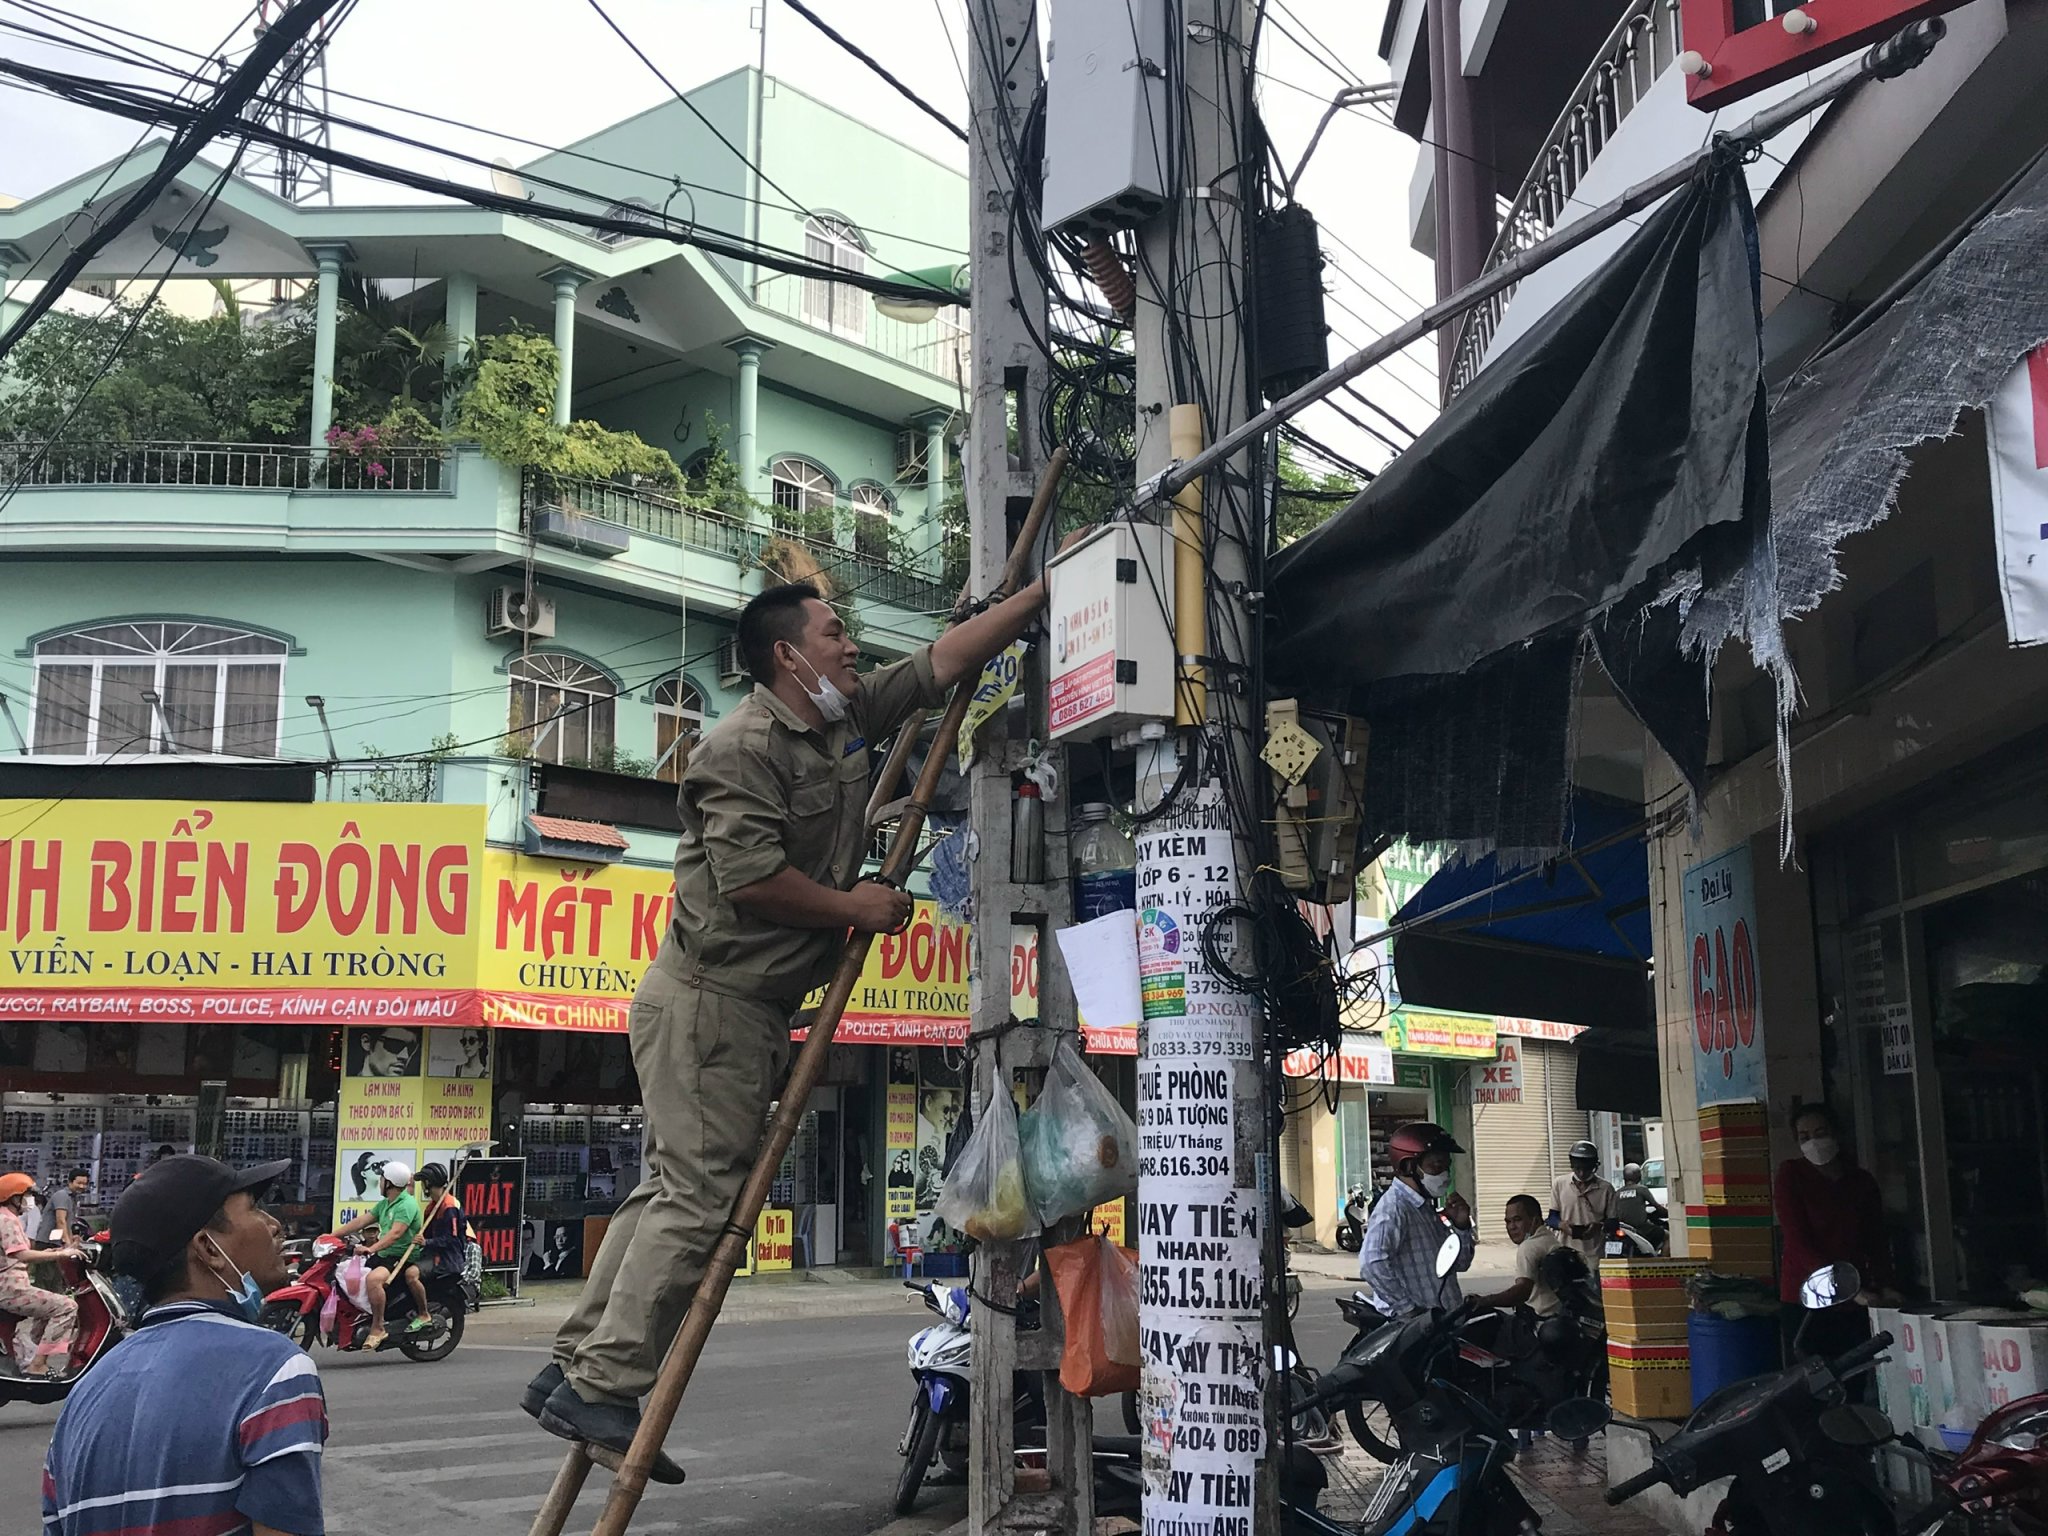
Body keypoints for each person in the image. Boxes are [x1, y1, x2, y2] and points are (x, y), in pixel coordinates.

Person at [525, 570, 1064, 1472]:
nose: (849, 646)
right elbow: (751, 878)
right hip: (712, 1003)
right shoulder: (740, 749)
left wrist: (1038, 594)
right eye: (833, 632)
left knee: (666, 1191)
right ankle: (608, 1385)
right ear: (787, 654)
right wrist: (857, 909)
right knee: (700, 1201)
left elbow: (937, 664)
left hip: (739, 1006)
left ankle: (575, 1368)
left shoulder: (841, 718)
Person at [42, 1154, 324, 1536]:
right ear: (208, 1248)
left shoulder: (84, 1394)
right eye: (255, 1208)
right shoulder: (274, 1370)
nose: (275, 1225)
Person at [1776, 1103, 1892, 1366]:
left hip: (1856, 1300)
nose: (1814, 1143)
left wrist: (1883, 1284)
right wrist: (1843, 1287)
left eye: (1820, 1133)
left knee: (1853, 1378)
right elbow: (1797, 1239)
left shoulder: (1860, 1181)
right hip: (1806, 1300)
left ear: (1836, 1133)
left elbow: (1876, 1239)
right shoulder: (1791, 1175)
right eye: (1805, 1138)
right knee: (1810, 1385)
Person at [1359, 1121, 1475, 1318]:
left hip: (1442, 1324)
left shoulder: (1425, 1208)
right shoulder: (1394, 1208)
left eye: (1447, 1166)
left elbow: (1460, 1263)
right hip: (1416, 1331)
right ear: (1408, 1166)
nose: (1445, 1175)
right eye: (1436, 1166)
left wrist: (1462, 1227)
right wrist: (1408, 1310)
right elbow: (1371, 1264)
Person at [0, 1172, 82, 1375]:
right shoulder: (6, 1219)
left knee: (50, 1306)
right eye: (27, 1195)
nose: (31, 1201)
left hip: (13, 1286)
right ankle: (38, 1363)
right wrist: (62, 1253)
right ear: (14, 1197)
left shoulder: (6, 1217)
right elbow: (21, 1254)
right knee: (67, 1306)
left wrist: (48, 1253)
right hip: (11, 1289)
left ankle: (36, 1351)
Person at [335, 1160, 420, 1351]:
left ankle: (378, 1326)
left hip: (401, 1256)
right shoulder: (386, 1204)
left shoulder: (406, 1205)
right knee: (346, 1272)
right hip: (385, 1254)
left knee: (373, 1280)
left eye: (382, 1179)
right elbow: (361, 1221)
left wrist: (371, 1249)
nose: (380, 1182)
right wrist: (332, 1235)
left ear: (388, 1182)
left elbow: (395, 1234)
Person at [392, 1163, 463, 1336]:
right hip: (431, 1254)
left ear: (430, 1183)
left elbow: (451, 1240)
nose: (422, 1186)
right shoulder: (432, 1207)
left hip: (446, 1258)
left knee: (411, 1275)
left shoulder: (449, 1206)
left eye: (424, 1181)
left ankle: (424, 1314)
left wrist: (427, 1243)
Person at [1470, 1194, 1566, 1318]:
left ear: (1535, 1220)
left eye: (1517, 1220)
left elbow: (1522, 1291)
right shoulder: (1550, 1239)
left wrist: (1484, 1301)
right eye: (1508, 1222)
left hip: (1540, 1322)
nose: (1512, 1227)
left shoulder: (1529, 1247)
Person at [1549, 1140, 1618, 1268]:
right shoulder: (1559, 1184)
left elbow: (1613, 1223)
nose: (1581, 1173)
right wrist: (1562, 1225)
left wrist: (1599, 1226)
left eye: (1586, 1169)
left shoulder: (1606, 1188)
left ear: (1594, 1166)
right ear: (1572, 1165)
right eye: (1577, 1168)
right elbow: (1552, 1217)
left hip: (1595, 1255)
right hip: (1565, 1252)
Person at [1614, 1161, 1666, 1250]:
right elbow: (1657, 1206)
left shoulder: (1617, 1193)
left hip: (1624, 1228)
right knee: (1668, 1237)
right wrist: (1668, 1213)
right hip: (1641, 1228)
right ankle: (1661, 1262)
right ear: (1639, 1176)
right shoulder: (1641, 1189)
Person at [40, 1168, 90, 1244]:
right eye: (79, 1183)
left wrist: (70, 1240)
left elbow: (67, 1224)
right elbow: (61, 1221)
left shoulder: (73, 1198)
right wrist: (67, 1242)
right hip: (46, 1242)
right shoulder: (62, 1195)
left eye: (84, 1184)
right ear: (70, 1182)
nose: (82, 1186)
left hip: (56, 1242)